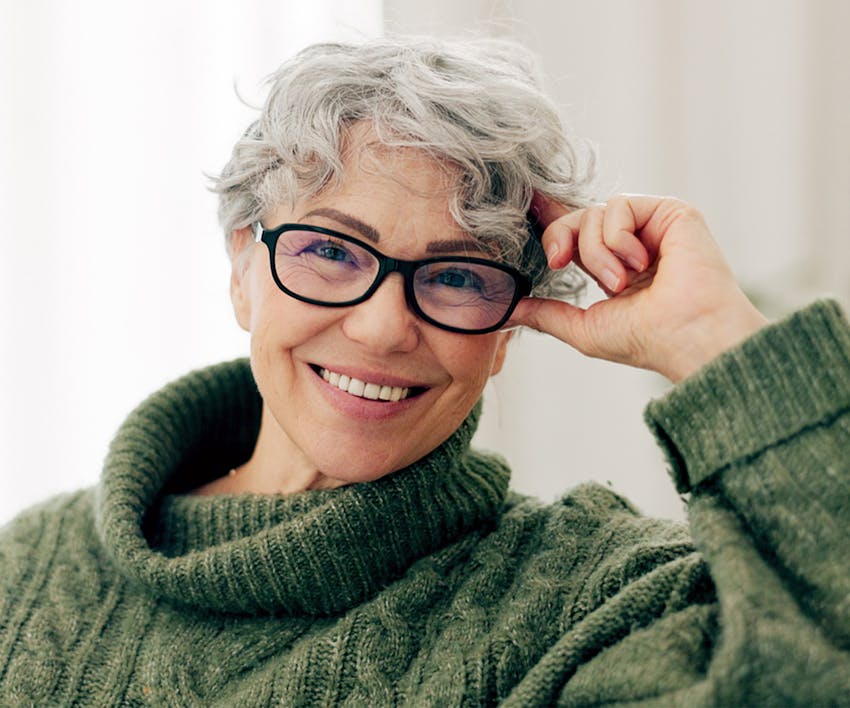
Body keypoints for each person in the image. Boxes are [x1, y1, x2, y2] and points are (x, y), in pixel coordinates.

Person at [1, 36, 848, 706]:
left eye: (455, 275)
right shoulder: (32, 569)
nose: (380, 328)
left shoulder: (590, 606)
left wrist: (716, 342)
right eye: (331, 250)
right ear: (241, 270)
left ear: (510, 325)